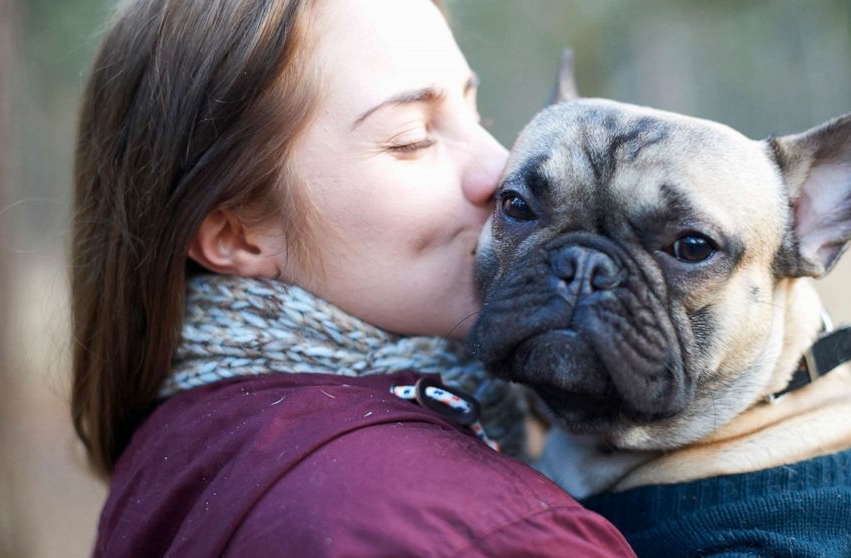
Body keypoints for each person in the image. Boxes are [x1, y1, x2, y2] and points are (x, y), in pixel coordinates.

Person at [71, 0, 637, 555]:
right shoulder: (475, 534)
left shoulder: (185, 444)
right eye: (412, 139)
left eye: (476, 112)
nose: (502, 168)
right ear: (236, 235)